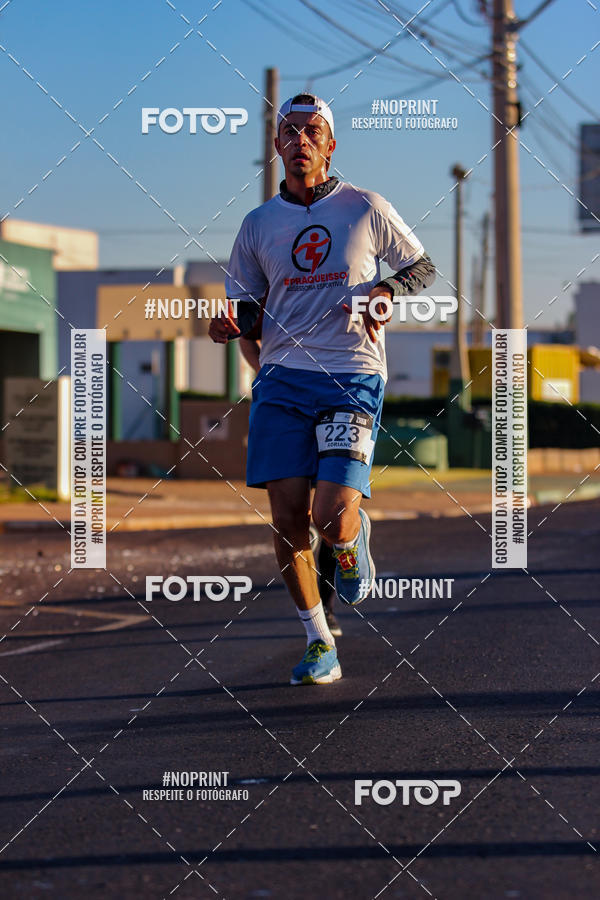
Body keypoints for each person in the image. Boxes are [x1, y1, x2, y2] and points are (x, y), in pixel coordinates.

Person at [209, 93, 435, 685]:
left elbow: (422, 267)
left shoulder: (365, 207)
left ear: (330, 145)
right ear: (277, 145)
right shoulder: (258, 224)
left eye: (312, 131)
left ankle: (351, 539)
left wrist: (386, 290)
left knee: (330, 518)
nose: (301, 140)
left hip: (351, 376)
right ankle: (319, 641)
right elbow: (248, 308)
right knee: (287, 519)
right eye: (290, 131)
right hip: (282, 380)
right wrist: (230, 324)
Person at [240, 334, 343, 638]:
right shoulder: (277, 306)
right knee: (292, 517)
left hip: (339, 393)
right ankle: (318, 625)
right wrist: (267, 370)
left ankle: (327, 603)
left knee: (331, 518)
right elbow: (246, 334)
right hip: (286, 401)